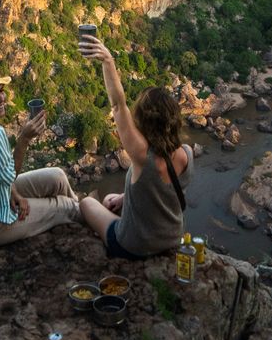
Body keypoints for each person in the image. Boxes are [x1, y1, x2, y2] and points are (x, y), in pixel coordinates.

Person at [78, 36, 193, 259]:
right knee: (112, 198)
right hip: (171, 238)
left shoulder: (142, 155)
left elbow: (118, 105)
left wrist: (108, 61)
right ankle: (121, 204)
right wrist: (124, 198)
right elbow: (160, 193)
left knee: (87, 203)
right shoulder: (187, 154)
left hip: (134, 245)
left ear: (143, 119)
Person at [0, 68, 81, 245]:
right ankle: (92, 216)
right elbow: (9, 176)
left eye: (1, 91)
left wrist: (14, 193)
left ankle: (82, 210)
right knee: (65, 206)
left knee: (58, 177)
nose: (1, 99)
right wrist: (24, 139)